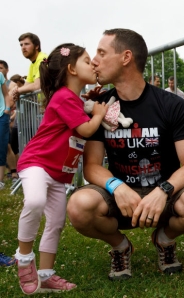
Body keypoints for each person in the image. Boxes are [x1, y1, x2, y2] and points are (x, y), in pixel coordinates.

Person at [66, 29, 184, 281]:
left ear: (126, 57)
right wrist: (117, 187)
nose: (94, 60)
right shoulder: (100, 106)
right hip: (119, 195)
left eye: (102, 53)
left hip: (165, 195)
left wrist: (163, 190)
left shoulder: (171, 104)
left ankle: (164, 238)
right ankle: (120, 246)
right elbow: (91, 167)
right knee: (79, 207)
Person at [14, 43, 107, 295]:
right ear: (72, 70)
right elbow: (86, 130)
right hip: (37, 162)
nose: (93, 64)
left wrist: (90, 104)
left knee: (56, 222)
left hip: (58, 172)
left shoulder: (73, 98)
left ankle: (45, 276)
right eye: (87, 61)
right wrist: (98, 114)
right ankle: (24, 258)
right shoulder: (64, 96)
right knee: (34, 201)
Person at [9, 33, 48, 99]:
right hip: (44, 105)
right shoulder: (32, 64)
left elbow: (37, 86)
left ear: (36, 46)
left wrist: (18, 90)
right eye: (21, 45)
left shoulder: (42, 59)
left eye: (26, 44)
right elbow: (27, 85)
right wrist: (17, 89)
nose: (23, 47)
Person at [0, 70, 14, 190]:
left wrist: (7, 109)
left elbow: (5, 94)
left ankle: (0, 181)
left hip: (1, 116)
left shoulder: (0, 76)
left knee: (2, 146)